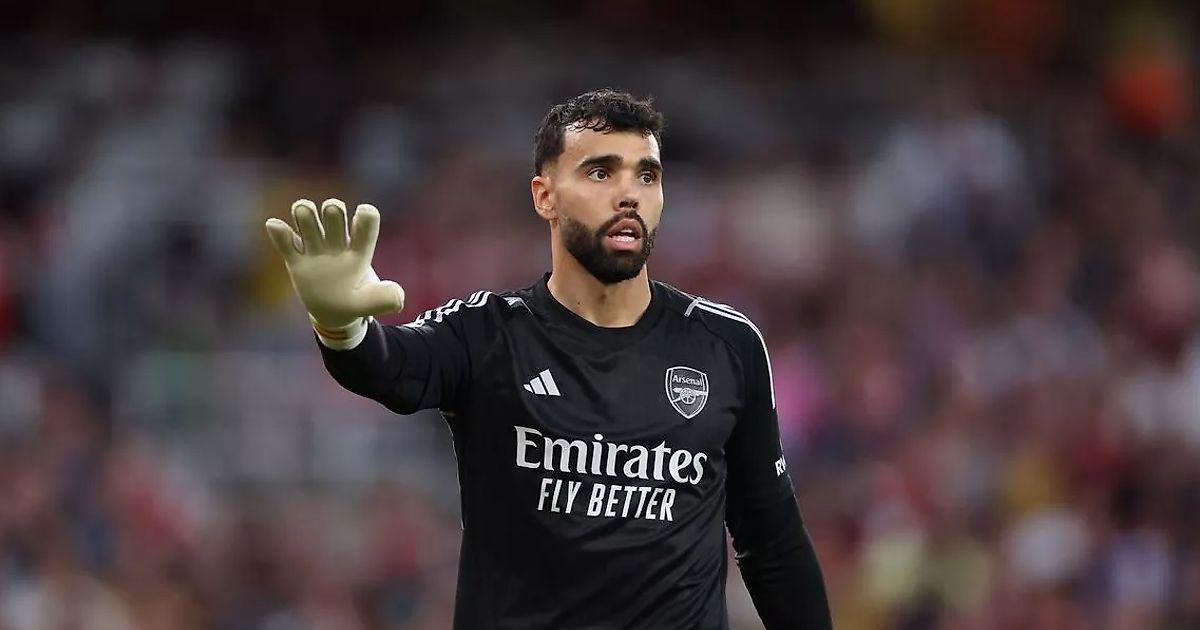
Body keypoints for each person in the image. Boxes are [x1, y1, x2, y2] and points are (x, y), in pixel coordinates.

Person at [264, 89, 831, 629]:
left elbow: (773, 543)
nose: (629, 194)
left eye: (647, 175)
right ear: (545, 196)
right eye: (601, 172)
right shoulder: (489, 333)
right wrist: (342, 327)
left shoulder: (726, 344)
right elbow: (388, 368)